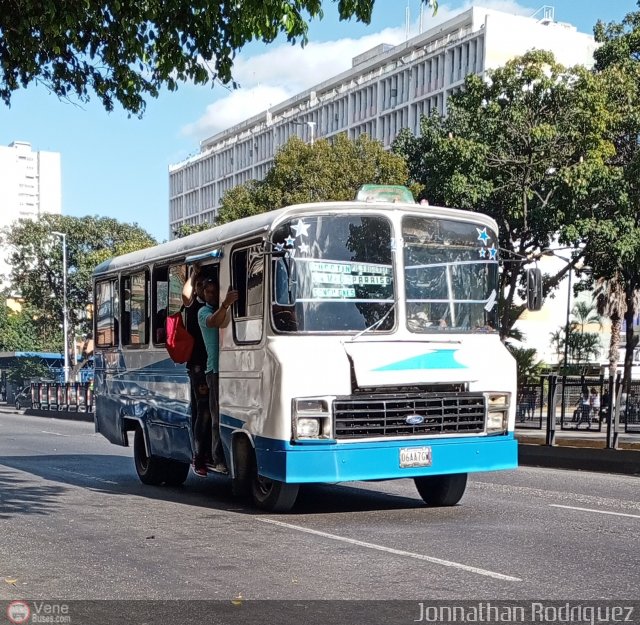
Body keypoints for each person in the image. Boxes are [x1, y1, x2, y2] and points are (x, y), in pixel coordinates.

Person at [198, 277, 239, 474]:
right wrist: (226, 304)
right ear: (204, 294)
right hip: (213, 370)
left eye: (215, 292)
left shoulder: (225, 309)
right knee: (216, 417)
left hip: (229, 368)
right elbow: (214, 322)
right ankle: (218, 458)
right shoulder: (203, 312)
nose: (211, 295)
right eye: (209, 292)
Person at [182, 267, 212, 477]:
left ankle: (209, 453)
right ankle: (199, 456)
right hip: (198, 365)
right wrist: (193, 275)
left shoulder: (212, 305)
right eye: (200, 286)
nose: (204, 289)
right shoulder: (196, 307)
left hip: (211, 364)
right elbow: (185, 296)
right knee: (203, 409)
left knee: (212, 409)